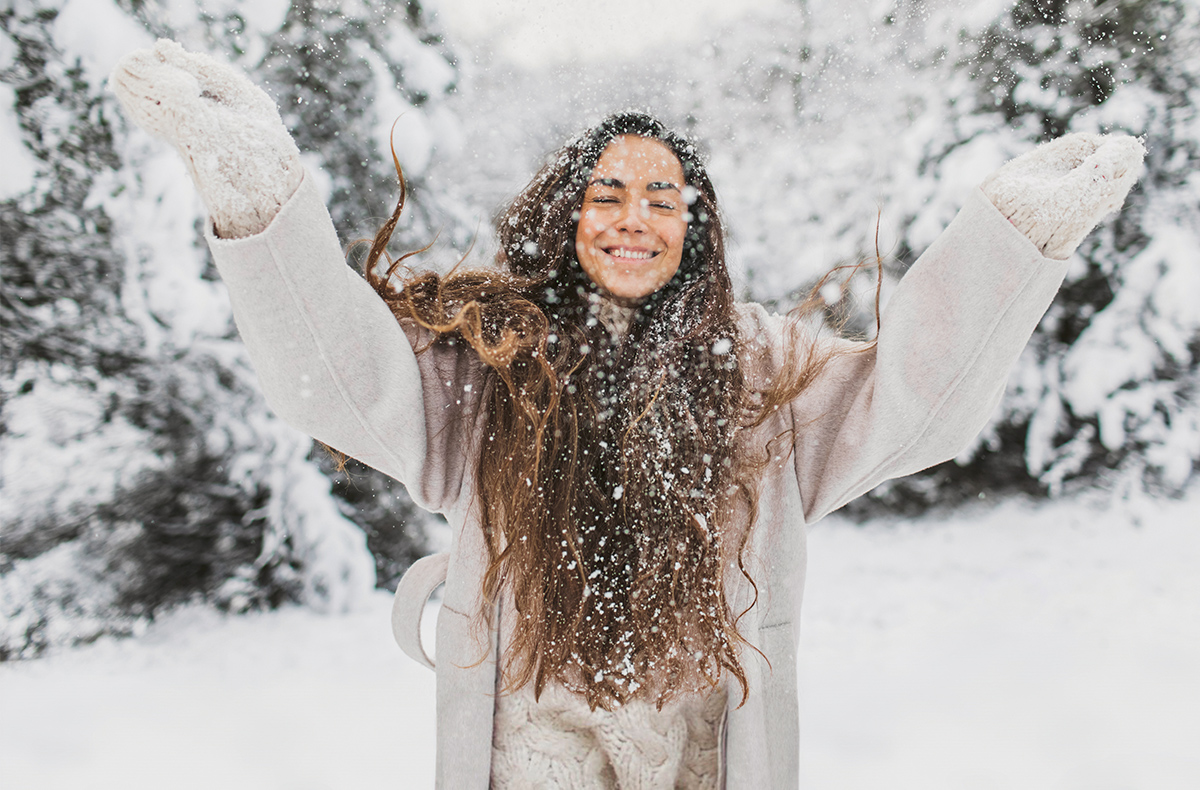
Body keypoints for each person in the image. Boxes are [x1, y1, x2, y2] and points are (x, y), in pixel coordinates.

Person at [110, 39, 1144, 789]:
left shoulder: (766, 373)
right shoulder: (490, 370)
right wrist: (254, 190)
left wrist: (1015, 238)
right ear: (569, 214)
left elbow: (918, 407)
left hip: (701, 759)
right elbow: (334, 376)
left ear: (696, 227)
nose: (633, 218)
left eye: (663, 197)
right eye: (608, 193)